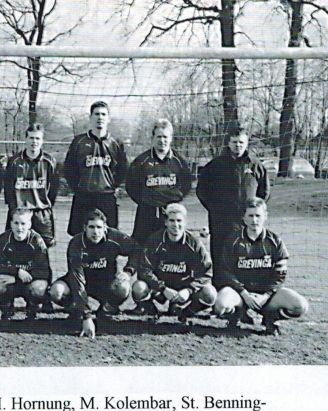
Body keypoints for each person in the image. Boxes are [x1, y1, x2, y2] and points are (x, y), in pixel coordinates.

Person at [214, 198, 309, 335]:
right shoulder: (233, 240)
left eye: (258, 215)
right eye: (250, 216)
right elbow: (226, 272)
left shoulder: (275, 241)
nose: (254, 220)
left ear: (265, 216)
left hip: (267, 296)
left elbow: (280, 275)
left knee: (300, 306)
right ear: (244, 218)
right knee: (220, 304)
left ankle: (270, 318)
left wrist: (266, 295)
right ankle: (236, 316)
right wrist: (244, 293)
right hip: (241, 295)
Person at [49, 209, 138, 338]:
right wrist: (86, 316)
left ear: (105, 227)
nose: (95, 232)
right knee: (56, 291)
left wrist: (128, 271)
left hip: (105, 283)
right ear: (85, 227)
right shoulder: (76, 243)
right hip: (80, 281)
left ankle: (106, 311)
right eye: (91, 227)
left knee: (123, 287)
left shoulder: (114, 237)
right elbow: (77, 279)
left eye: (99, 227)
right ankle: (75, 310)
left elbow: (137, 250)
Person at [197, 126, 270, 283]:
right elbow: (202, 190)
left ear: (247, 143)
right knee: (221, 258)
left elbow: (264, 193)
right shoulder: (215, 165)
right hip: (221, 222)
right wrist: (216, 209)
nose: (238, 145)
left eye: (241, 142)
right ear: (229, 143)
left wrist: (254, 212)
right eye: (235, 142)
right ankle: (219, 290)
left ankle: (246, 291)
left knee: (246, 258)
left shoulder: (255, 165)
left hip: (247, 223)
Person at [132, 203, 216, 323]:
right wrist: (162, 288)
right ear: (165, 222)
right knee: (138, 287)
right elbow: (144, 269)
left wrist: (189, 290)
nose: (175, 225)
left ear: (185, 222)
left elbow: (206, 272)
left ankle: (185, 313)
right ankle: (152, 312)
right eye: (172, 220)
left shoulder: (194, 243)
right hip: (160, 288)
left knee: (210, 293)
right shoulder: (154, 240)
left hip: (184, 287)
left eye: (179, 220)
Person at [64, 101, 128, 236]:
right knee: (79, 236)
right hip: (83, 196)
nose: (100, 117)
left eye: (103, 114)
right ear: (90, 117)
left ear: (108, 118)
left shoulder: (116, 143)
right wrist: (77, 188)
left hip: (106, 197)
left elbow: (123, 169)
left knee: (109, 236)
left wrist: (113, 186)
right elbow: (69, 169)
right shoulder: (79, 142)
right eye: (97, 114)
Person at [125, 119, 192, 247]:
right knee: (142, 247)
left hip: (170, 213)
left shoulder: (179, 162)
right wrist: (146, 201)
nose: (162, 140)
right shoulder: (141, 161)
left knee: (170, 247)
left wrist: (173, 201)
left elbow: (186, 185)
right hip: (146, 212)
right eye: (159, 136)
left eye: (165, 137)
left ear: (171, 138)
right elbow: (131, 186)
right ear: (153, 138)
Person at [4, 123, 59, 247]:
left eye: (37, 138)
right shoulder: (14, 161)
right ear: (26, 139)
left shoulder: (50, 161)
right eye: (31, 138)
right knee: (16, 246)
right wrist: (14, 207)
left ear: (42, 140)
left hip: (41, 213)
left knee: (43, 248)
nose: (34, 141)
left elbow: (54, 188)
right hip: (19, 212)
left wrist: (45, 205)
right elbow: (8, 187)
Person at [0, 208, 51, 319]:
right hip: (11, 280)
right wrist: (16, 272)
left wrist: (20, 278)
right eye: (16, 223)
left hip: (30, 281)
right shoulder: (3, 240)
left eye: (23, 223)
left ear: (29, 224)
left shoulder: (37, 241)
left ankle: (32, 308)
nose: (19, 227)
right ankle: (7, 308)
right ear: (11, 224)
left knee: (39, 288)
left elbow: (44, 271)